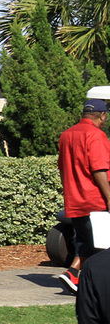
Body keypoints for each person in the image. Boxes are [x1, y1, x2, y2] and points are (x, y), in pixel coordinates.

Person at [56, 97, 110, 293]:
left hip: (75, 198)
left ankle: (73, 275)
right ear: (102, 115)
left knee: (85, 241)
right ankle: (87, 281)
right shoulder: (96, 135)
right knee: (101, 245)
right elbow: (99, 169)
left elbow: (62, 167)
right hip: (95, 200)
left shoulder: (67, 135)